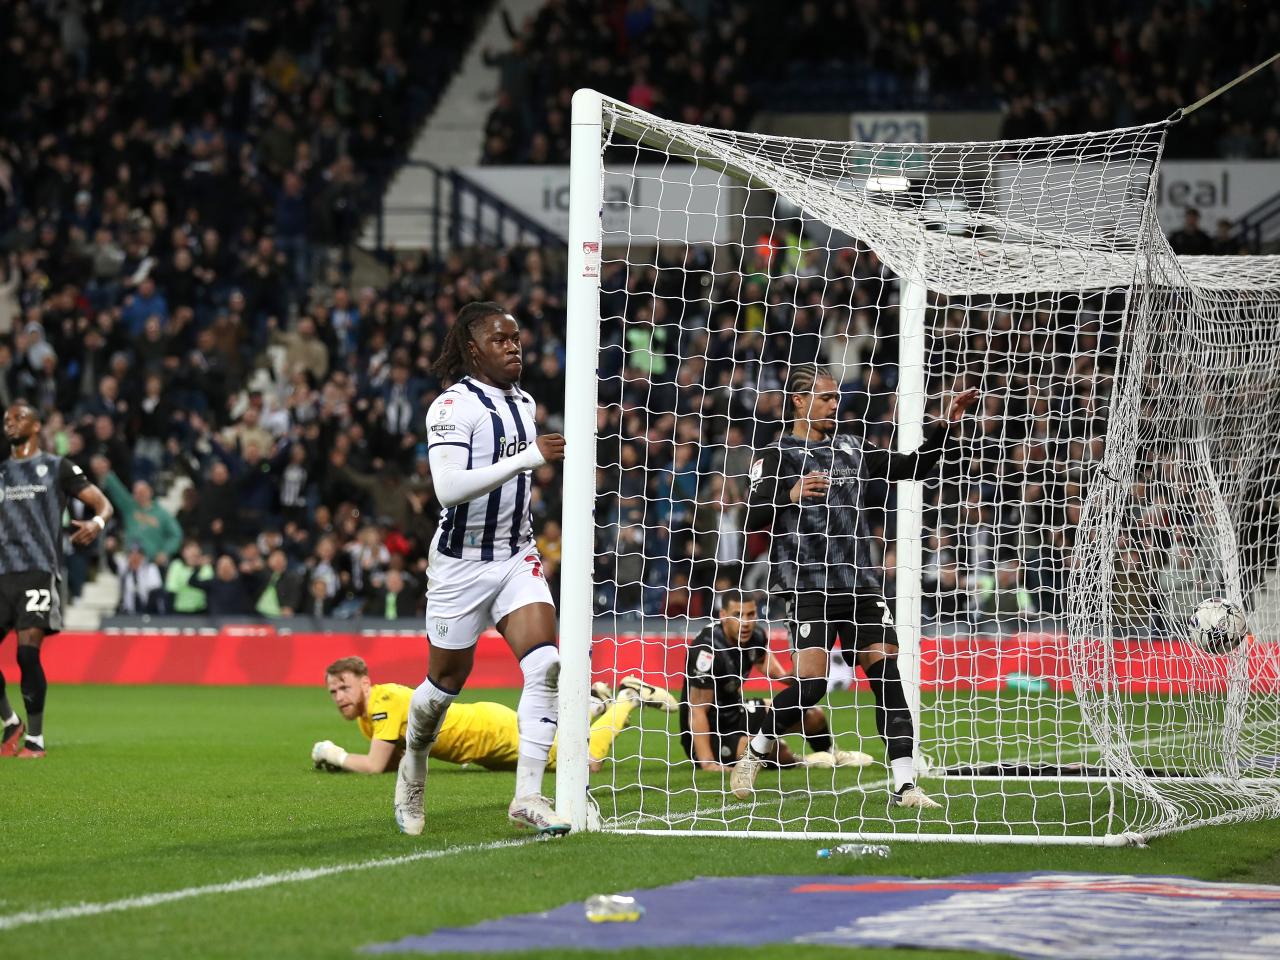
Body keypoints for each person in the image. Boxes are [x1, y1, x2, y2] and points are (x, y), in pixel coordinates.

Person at [736, 364, 978, 808]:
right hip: (807, 584)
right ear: (799, 401)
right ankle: (758, 747)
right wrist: (788, 494)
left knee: (887, 675)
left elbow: (912, 467)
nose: (835, 405)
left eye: (835, 398)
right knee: (811, 687)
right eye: (826, 398)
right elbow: (749, 520)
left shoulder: (851, 447)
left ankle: (905, 785)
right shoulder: (777, 456)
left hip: (862, 586)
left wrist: (946, 426)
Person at [394, 301, 568, 837]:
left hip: (516, 555)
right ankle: (413, 763)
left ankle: (528, 798)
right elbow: (447, 489)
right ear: (473, 350)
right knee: (444, 687)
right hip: (461, 566)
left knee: (546, 667)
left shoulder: (525, 402)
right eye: (501, 340)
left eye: (517, 339)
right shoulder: (451, 407)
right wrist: (528, 458)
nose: (514, 347)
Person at [312, 656, 676, 775]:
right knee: (561, 742)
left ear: (365, 683)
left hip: (490, 733)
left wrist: (335, 755)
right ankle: (595, 701)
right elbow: (392, 763)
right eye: (333, 692)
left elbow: (375, 766)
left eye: (344, 687)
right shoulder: (368, 717)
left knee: (584, 761)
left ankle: (627, 697)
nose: (339, 696)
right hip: (484, 740)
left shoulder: (383, 699)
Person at [0, 399, 113, 758]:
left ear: (36, 427)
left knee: (26, 653)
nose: (10, 423)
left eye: (18, 418)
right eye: (6, 419)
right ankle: (9, 721)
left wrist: (97, 523)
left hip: (37, 569)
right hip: (2, 572)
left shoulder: (57, 468)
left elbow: (103, 504)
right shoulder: (1, 472)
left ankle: (35, 739)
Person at [681, 588, 873, 772]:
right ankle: (801, 761)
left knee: (813, 715)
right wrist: (706, 762)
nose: (746, 622)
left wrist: (785, 677)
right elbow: (697, 710)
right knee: (771, 749)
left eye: (750, 614)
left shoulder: (754, 636)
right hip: (709, 732)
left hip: (736, 713)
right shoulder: (707, 651)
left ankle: (832, 754)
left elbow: (763, 660)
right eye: (738, 615)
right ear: (723, 615)